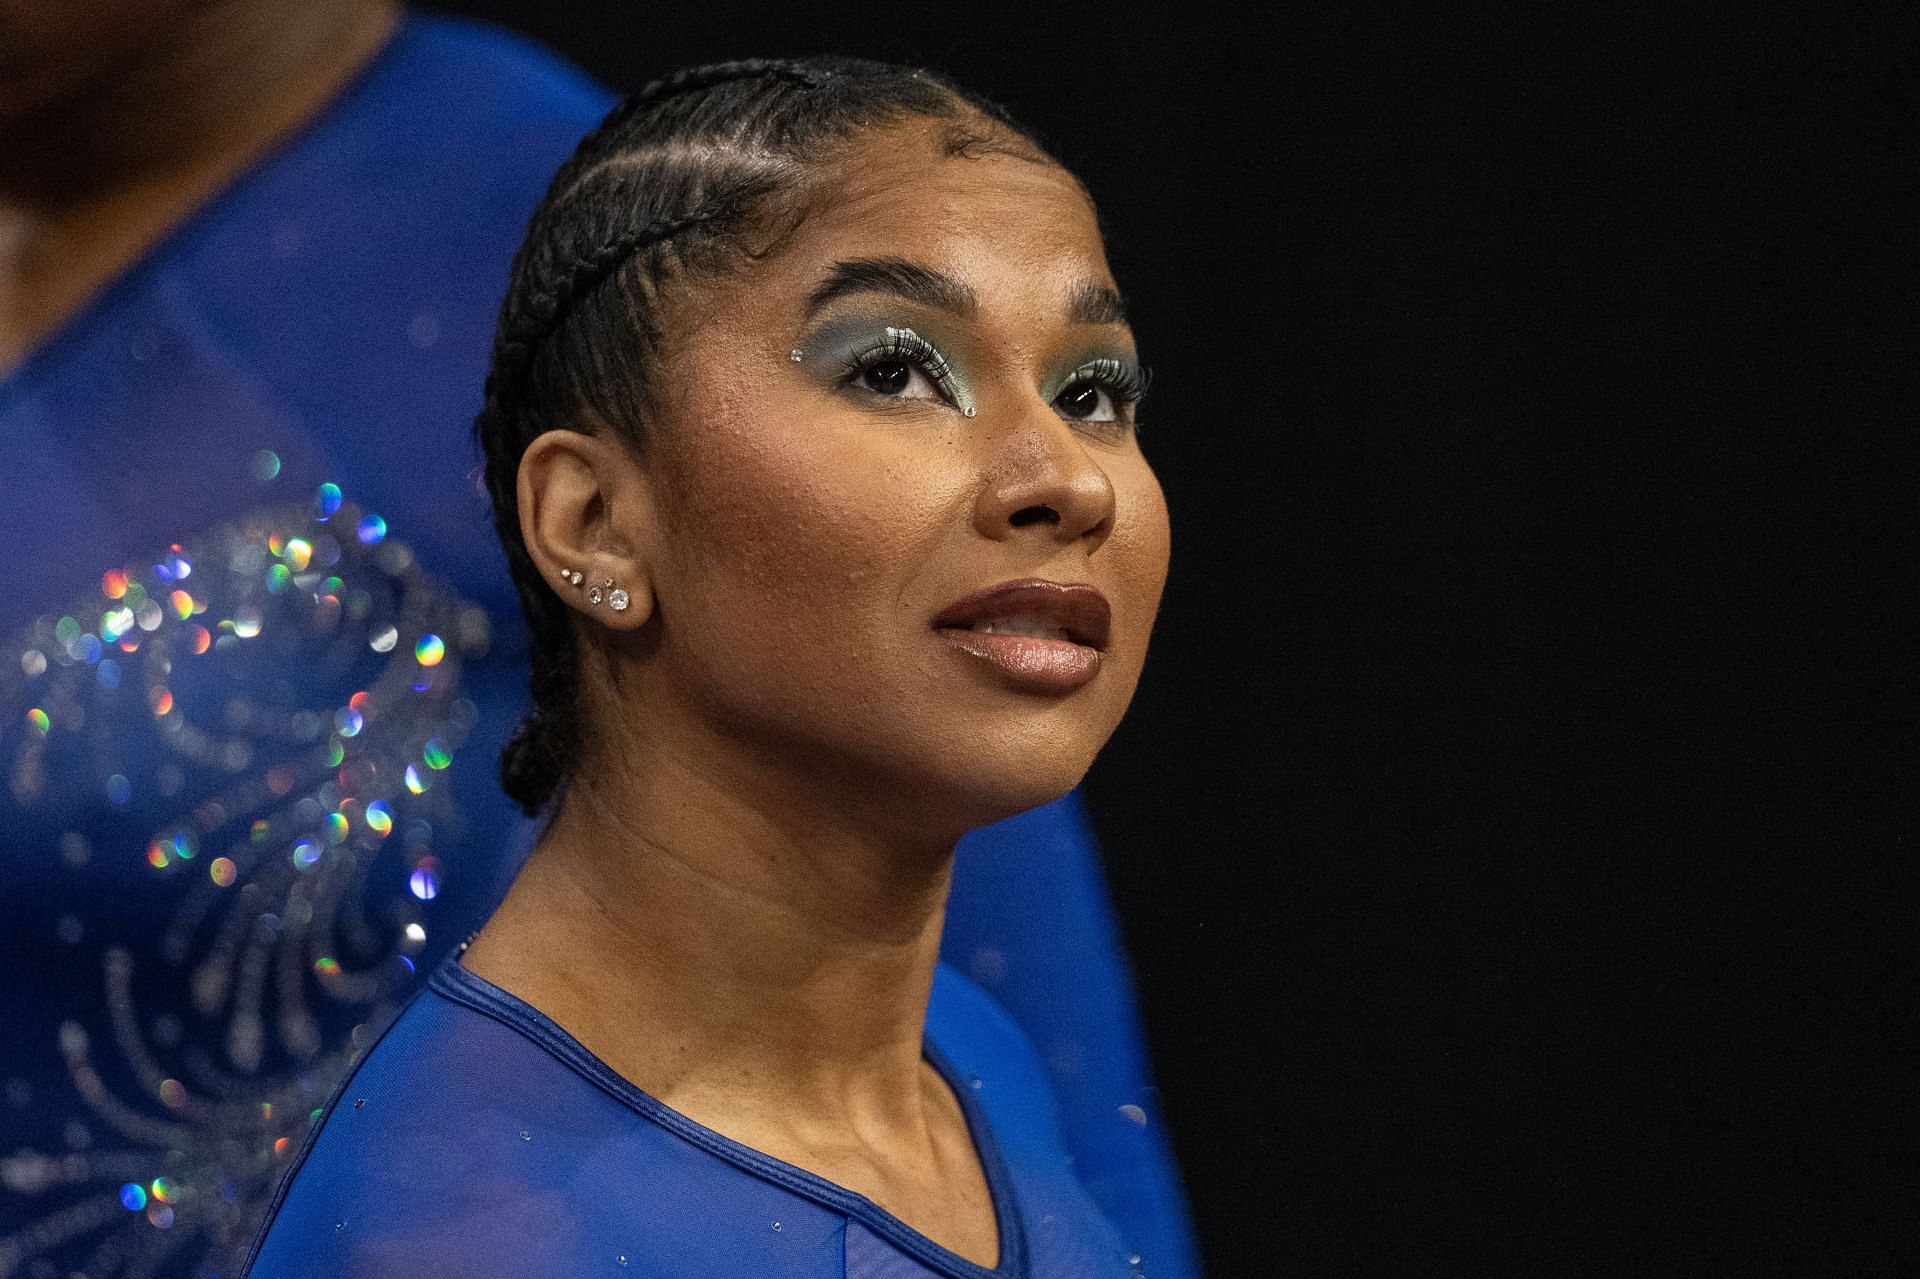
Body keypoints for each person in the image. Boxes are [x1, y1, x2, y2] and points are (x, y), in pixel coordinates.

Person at [0, 8, 1194, 1274]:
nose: (1062, 476)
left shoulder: (551, 237)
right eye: (897, 372)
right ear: (582, 520)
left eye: (1095, 391)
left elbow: (1053, 1099)